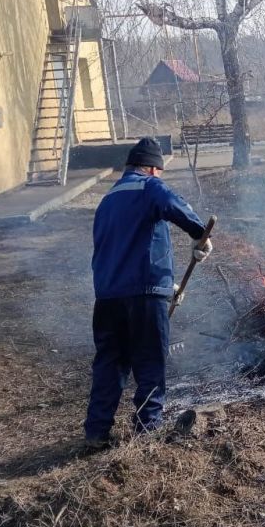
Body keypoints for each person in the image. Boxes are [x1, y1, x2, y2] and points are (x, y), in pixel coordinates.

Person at [84, 137, 212, 449]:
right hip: (143, 294)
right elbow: (173, 204)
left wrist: (168, 287)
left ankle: (96, 431)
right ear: (153, 169)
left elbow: (122, 249)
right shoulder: (148, 186)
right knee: (150, 360)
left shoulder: (107, 200)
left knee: (110, 363)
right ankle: (147, 430)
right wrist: (200, 236)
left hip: (107, 296)